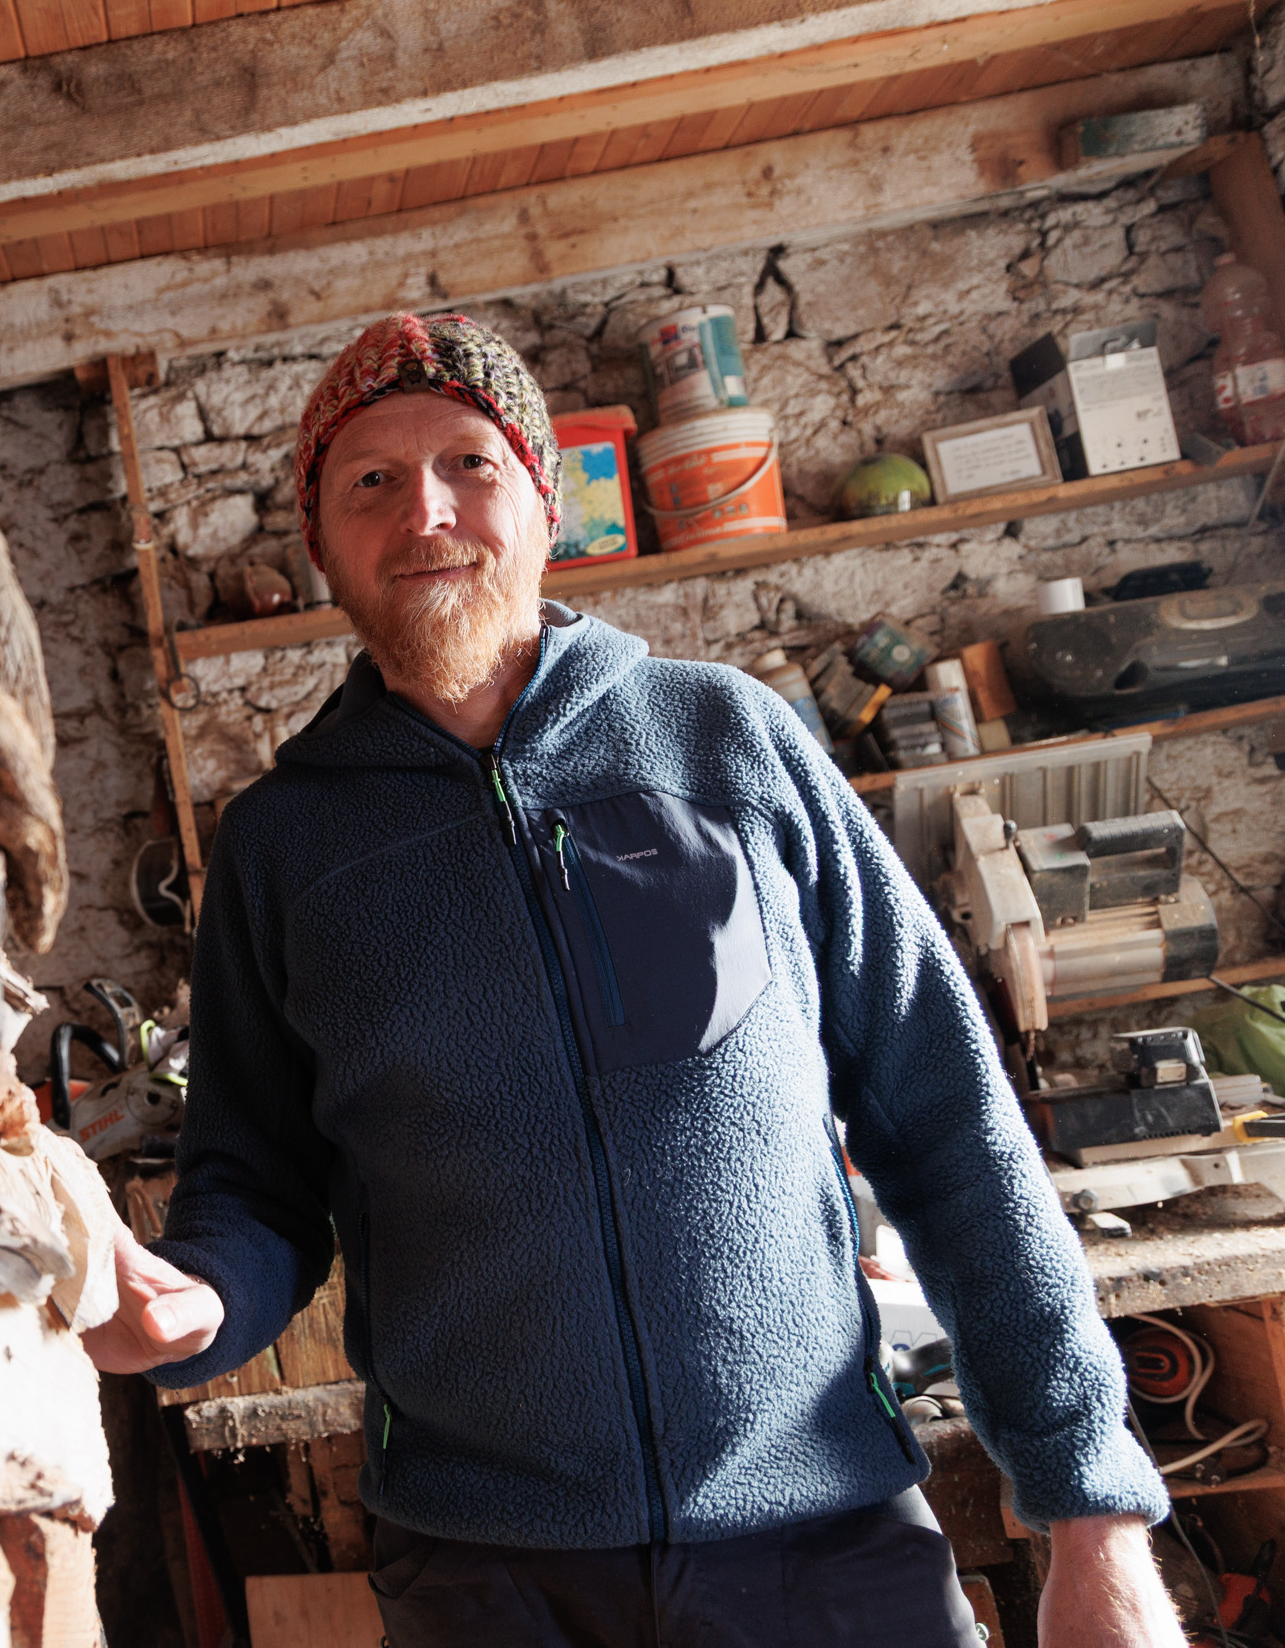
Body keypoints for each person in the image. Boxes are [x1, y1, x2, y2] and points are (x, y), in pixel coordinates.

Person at [79, 313, 1184, 1646]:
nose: (423, 508)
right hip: (489, 1583)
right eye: (368, 480)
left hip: (824, 1546)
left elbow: (952, 1123)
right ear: (321, 545)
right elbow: (254, 1189)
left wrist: (1093, 1512)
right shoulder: (282, 850)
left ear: (545, 507)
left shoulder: (729, 742)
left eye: (468, 465)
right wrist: (197, 1301)